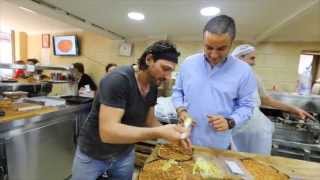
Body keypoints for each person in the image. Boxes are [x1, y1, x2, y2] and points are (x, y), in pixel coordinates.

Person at [72, 40, 189, 180]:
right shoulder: (118, 79)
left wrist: (173, 133)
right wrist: (160, 132)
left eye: (171, 71)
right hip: (93, 154)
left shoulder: (152, 85)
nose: (168, 77)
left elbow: (150, 120)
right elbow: (108, 133)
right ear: (149, 59)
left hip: (124, 154)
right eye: (165, 68)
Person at [172, 15, 257, 150]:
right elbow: (178, 91)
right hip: (186, 137)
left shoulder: (243, 71)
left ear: (231, 43)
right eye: (209, 47)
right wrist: (181, 111)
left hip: (218, 143)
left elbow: (247, 106)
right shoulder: (189, 63)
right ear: (203, 41)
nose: (214, 55)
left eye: (221, 48)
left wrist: (230, 121)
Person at [231, 44, 313, 154]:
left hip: (254, 129)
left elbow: (268, 101)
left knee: (256, 164)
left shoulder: (254, 77)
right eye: (252, 58)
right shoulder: (226, 78)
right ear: (240, 58)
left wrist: (294, 109)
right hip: (235, 128)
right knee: (235, 162)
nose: (254, 62)